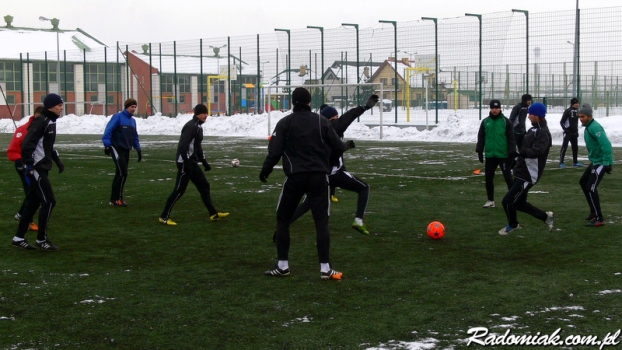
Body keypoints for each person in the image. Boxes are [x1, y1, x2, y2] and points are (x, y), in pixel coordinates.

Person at [260, 87, 350, 280]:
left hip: (295, 177)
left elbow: (274, 151)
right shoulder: (321, 121)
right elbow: (338, 146)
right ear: (310, 102)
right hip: (319, 177)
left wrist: (265, 170)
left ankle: (283, 265)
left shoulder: (285, 122)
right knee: (321, 222)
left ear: (293, 102)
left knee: (283, 219)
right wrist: (329, 162)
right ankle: (325, 268)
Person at [287, 95, 378, 236]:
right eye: (336, 117)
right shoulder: (333, 126)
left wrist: (343, 147)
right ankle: (358, 220)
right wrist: (364, 107)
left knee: (308, 203)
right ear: (332, 119)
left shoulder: (315, 129)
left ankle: (284, 224)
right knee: (364, 188)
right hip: (334, 174)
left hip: (318, 175)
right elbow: (349, 117)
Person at [159, 104, 229, 225]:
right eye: (203, 113)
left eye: (206, 113)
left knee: (204, 186)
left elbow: (197, 147)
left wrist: (205, 162)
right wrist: (186, 163)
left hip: (191, 162)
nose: (206, 115)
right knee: (179, 190)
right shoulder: (191, 126)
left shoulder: (198, 127)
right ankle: (164, 216)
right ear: (197, 114)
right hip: (184, 162)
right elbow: (182, 146)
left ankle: (213, 213)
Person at [12, 93, 65, 251]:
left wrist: (57, 161)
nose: (61, 108)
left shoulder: (50, 121)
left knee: (33, 202)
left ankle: (18, 238)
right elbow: (27, 144)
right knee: (49, 201)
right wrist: (28, 165)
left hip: (41, 167)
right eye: (59, 105)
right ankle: (42, 239)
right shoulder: (41, 121)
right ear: (50, 106)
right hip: (36, 168)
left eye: (62, 105)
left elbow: (47, 146)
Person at [499, 102, 554, 235]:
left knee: (507, 201)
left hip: (529, 175)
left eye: (532, 114)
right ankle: (546, 217)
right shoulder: (532, 130)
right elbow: (524, 150)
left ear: (539, 116)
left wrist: (521, 153)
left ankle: (513, 225)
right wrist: (516, 160)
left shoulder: (543, 133)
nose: (528, 116)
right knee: (519, 203)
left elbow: (538, 151)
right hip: (522, 171)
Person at [7, 106, 45, 232]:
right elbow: (12, 150)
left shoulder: (43, 129)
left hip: (37, 166)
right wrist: (20, 161)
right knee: (33, 193)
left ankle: (20, 214)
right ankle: (28, 220)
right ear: (36, 115)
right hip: (24, 165)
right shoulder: (23, 129)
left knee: (34, 192)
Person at [102, 98, 143, 206]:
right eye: (131, 107)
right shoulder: (118, 117)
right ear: (126, 107)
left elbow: (134, 136)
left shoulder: (132, 121)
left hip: (126, 150)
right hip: (116, 148)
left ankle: (113, 199)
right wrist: (107, 145)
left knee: (120, 173)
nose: (133, 109)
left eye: (135, 107)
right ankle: (118, 199)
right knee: (122, 172)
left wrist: (138, 149)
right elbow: (108, 131)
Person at [476, 99, 515, 208]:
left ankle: (514, 200)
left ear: (500, 108)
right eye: (492, 108)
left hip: (503, 155)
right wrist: (479, 150)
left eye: (496, 108)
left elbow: (511, 138)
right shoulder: (485, 122)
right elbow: (481, 137)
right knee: (488, 178)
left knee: (508, 178)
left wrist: (512, 151)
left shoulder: (506, 122)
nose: (494, 110)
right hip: (490, 155)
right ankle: (490, 200)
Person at [578, 104, 613, 227]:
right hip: (595, 161)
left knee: (591, 187)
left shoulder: (594, 127)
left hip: (600, 162)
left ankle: (599, 218)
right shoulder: (589, 126)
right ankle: (593, 211)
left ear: (589, 116)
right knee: (583, 182)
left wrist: (607, 163)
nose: (581, 118)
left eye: (583, 116)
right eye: (579, 116)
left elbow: (606, 145)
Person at [559, 97, 582, 168]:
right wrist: (566, 130)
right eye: (576, 103)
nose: (577, 104)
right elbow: (562, 122)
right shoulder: (568, 111)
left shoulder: (578, 111)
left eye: (578, 103)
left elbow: (576, 122)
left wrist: (576, 130)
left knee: (575, 147)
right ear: (572, 104)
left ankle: (575, 162)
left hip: (574, 133)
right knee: (564, 147)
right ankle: (561, 162)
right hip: (568, 133)